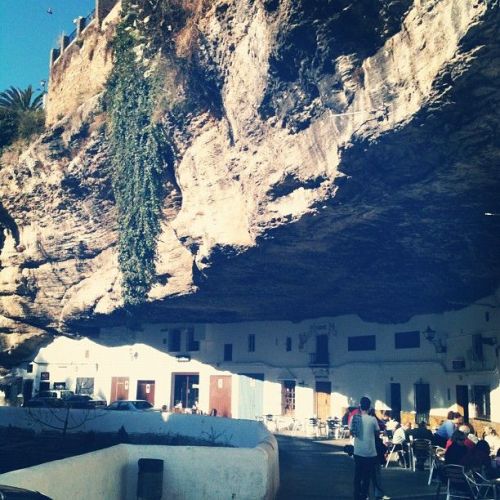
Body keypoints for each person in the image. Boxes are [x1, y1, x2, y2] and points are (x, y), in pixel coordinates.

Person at [350, 396, 381, 500]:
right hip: (370, 452)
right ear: (369, 407)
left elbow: (352, 433)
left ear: (360, 406)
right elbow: (377, 433)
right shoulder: (373, 420)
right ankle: (364, 496)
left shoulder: (355, 418)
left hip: (358, 451)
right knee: (367, 476)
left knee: (357, 475)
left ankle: (356, 495)